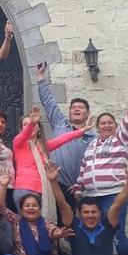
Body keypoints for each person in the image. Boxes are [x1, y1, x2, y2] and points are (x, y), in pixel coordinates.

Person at [73, 81, 128, 255]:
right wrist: (79, 185)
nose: (106, 125)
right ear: (97, 127)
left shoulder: (121, 139)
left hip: (114, 194)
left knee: (117, 235)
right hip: (93, 196)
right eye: (103, 123)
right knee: (99, 235)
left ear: (115, 126)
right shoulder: (91, 146)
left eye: (110, 123)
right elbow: (84, 167)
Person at [13, 105, 92, 221]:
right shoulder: (18, 143)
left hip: (42, 191)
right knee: (27, 228)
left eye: (33, 124)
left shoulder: (44, 147)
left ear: (39, 128)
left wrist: (83, 130)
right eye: (25, 124)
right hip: (24, 189)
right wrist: (32, 123)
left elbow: (63, 138)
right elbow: (25, 135)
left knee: (41, 228)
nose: (28, 126)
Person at [35, 62, 95, 204]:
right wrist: (41, 77)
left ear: (88, 113)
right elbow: (48, 102)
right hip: (58, 184)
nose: (76, 109)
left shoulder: (94, 138)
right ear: (69, 112)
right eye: (73, 107)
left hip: (84, 189)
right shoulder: (60, 123)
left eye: (81, 108)